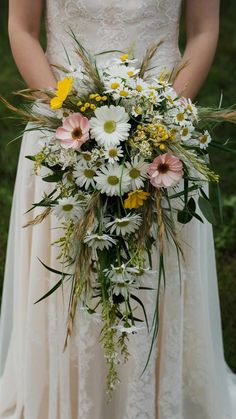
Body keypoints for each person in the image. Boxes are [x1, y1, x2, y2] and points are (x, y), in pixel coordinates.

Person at [0, 0, 236, 418]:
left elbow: (203, 30)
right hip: (63, 128)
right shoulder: (65, 122)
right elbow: (21, 28)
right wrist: (69, 118)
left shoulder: (161, 127)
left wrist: (158, 124)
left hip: (162, 128)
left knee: (154, 267)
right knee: (70, 264)